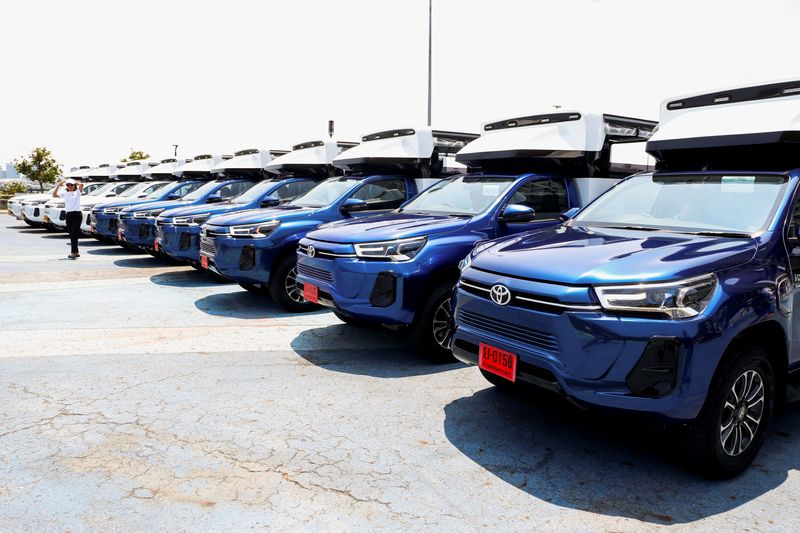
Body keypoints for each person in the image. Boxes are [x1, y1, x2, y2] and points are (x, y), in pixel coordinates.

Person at [53, 178, 85, 259]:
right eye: (68, 185)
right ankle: (76, 252)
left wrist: (75, 183)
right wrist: (58, 185)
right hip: (69, 215)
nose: (69, 186)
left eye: (71, 185)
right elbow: (54, 195)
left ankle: (73, 252)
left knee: (74, 233)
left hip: (77, 215)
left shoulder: (77, 192)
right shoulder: (65, 193)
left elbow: (81, 185)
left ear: (74, 185)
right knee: (72, 234)